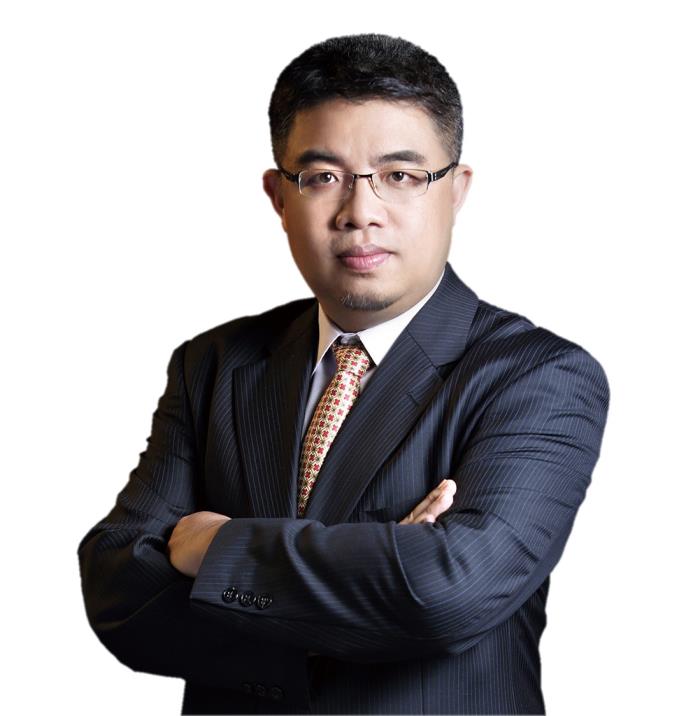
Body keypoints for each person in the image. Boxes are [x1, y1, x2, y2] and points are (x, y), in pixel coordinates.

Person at [77, 33, 610, 715]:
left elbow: (448, 593)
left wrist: (211, 546)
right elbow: (116, 592)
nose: (361, 212)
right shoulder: (213, 364)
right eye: (323, 176)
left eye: (401, 175)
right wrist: (377, 576)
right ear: (279, 195)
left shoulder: (537, 377)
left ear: (456, 191)